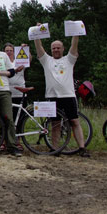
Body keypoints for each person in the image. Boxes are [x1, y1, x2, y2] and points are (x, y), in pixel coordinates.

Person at [33, 28, 90, 157]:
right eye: (53, 48)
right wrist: (36, 33)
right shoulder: (46, 60)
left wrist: (75, 30)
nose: (56, 50)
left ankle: (82, 148)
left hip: (68, 95)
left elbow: (74, 44)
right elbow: (38, 46)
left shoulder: (69, 59)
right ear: (51, 49)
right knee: (55, 124)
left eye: (58, 48)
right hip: (52, 97)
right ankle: (55, 149)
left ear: (63, 49)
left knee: (74, 121)